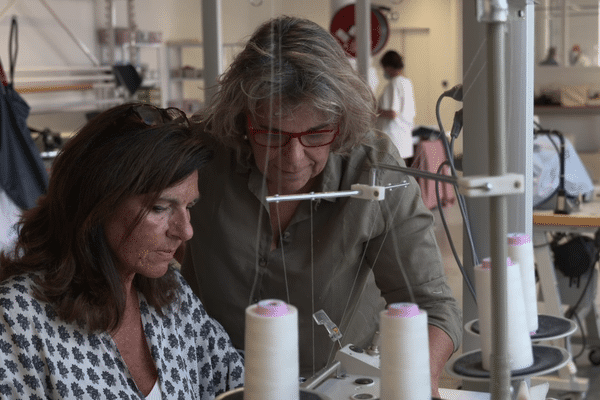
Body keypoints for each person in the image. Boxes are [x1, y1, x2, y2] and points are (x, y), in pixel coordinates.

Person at [181, 16, 461, 397]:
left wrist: (416, 380)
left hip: (334, 382)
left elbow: (431, 305)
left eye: (316, 134)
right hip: (208, 379)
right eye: (271, 133)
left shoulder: (372, 167)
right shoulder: (203, 154)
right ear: (244, 120)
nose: (293, 158)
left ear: (341, 123)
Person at [0, 103, 244, 399]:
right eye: (160, 208)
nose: (185, 231)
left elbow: (236, 383)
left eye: (188, 206)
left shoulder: (171, 297)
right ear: (96, 205)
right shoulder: (16, 320)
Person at [375, 50, 416, 161]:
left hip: (393, 139)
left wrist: (375, 111)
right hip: (403, 141)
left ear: (388, 67)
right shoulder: (407, 82)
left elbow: (393, 113)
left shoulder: (394, 83)